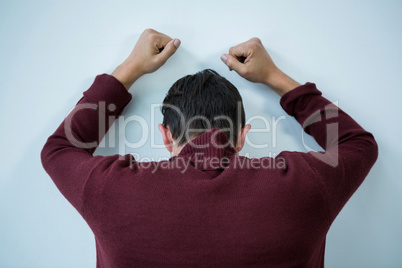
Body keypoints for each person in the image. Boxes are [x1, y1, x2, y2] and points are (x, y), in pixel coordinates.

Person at [41, 28, 378, 267]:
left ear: (166, 135)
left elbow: (58, 150)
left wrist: (128, 71)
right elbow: (356, 143)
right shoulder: (303, 186)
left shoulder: (111, 190)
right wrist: (275, 77)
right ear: (243, 135)